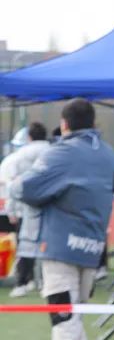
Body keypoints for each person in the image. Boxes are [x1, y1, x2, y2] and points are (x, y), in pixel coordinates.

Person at [8, 100, 114, 340]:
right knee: (70, 317)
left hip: (59, 244)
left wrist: (13, 184)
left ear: (64, 123)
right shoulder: (107, 153)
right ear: (93, 122)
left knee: (63, 315)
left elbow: (26, 189)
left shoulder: (62, 152)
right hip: (91, 245)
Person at [0, 122, 50, 297]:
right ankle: (44, 283)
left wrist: (11, 209)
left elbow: (14, 186)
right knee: (49, 248)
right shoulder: (54, 152)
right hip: (51, 208)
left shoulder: (18, 157)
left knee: (26, 246)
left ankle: (23, 282)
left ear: (29, 138)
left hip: (27, 208)